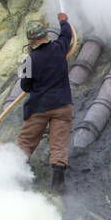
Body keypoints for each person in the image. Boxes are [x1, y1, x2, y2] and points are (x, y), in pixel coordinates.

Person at [16, 13, 75, 193]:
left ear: (31, 41)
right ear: (45, 36)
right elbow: (67, 35)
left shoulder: (29, 61)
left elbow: (25, 86)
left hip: (39, 107)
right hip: (62, 105)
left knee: (26, 141)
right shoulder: (59, 47)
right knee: (58, 143)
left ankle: (15, 178)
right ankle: (58, 185)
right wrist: (63, 20)